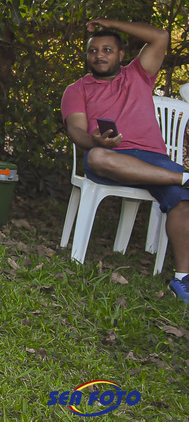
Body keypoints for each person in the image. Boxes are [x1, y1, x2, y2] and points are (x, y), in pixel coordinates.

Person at [61, 18, 189, 303]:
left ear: (121, 55)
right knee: (97, 157)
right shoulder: (77, 89)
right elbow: (76, 131)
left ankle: (182, 278)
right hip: (112, 158)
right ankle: (183, 178)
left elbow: (160, 36)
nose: (99, 55)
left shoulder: (138, 75)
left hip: (154, 160)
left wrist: (109, 23)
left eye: (107, 50)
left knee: (181, 202)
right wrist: (96, 141)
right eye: (93, 51)